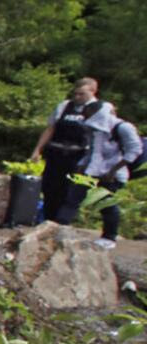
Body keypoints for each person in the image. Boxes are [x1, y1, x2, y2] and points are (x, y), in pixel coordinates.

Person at [30, 77, 116, 224]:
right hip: (56, 155)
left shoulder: (102, 108)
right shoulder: (64, 106)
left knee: (71, 192)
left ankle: (62, 223)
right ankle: (48, 221)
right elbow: (51, 129)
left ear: (93, 91)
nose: (77, 97)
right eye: (75, 94)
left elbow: (109, 133)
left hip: (81, 157)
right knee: (49, 189)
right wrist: (37, 149)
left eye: (81, 94)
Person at [86, 116, 143, 248]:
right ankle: (108, 236)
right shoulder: (99, 132)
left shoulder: (122, 128)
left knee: (108, 203)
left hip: (115, 174)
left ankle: (110, 237)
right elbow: (95, 152)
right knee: (103, 203)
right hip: (101, 172)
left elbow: (134, 150)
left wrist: (112, 171)